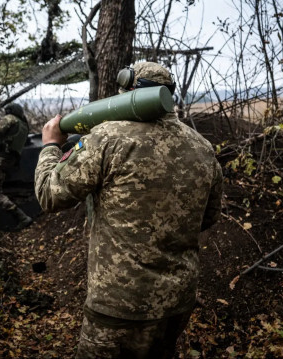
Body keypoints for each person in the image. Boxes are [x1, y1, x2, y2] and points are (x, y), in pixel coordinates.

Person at [34, 61, 223, 359]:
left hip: (119, 305)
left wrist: (50, 146)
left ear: (127, 93)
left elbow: (49, 194)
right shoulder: (202, 147)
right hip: (176, 304)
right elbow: (209, 217)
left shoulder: (108, 138)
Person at [0, 103, 33, 230]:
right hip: (10, 159)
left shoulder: (11, 119)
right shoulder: (24, 125)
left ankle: (22, 217)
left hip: (0, 158)